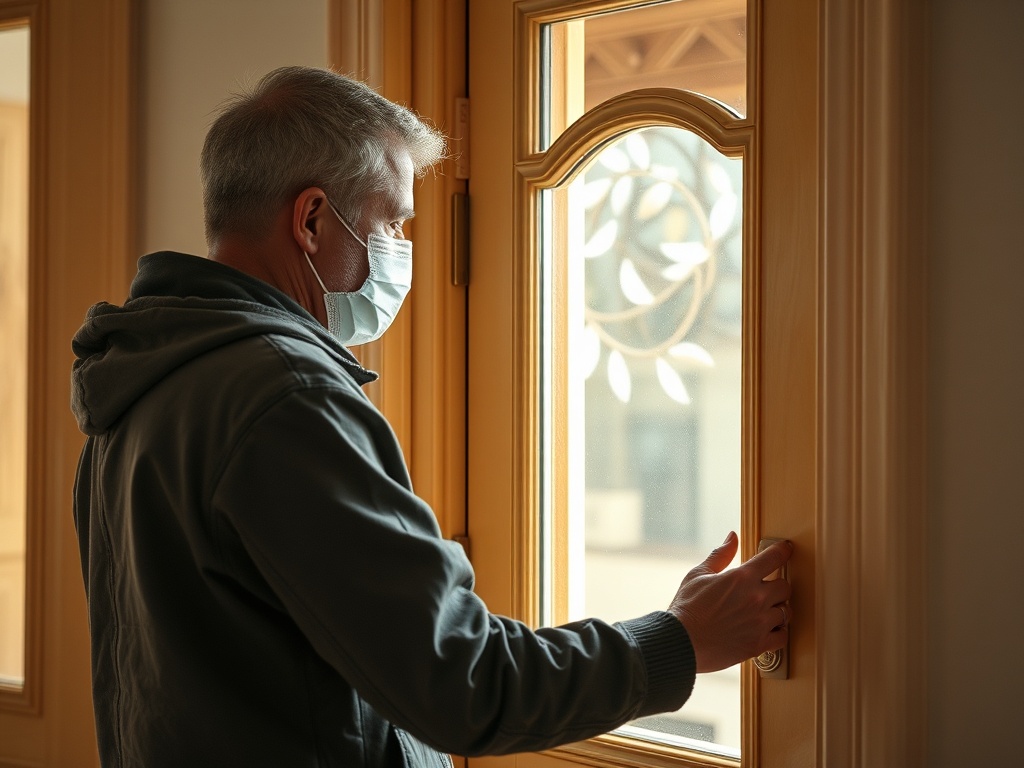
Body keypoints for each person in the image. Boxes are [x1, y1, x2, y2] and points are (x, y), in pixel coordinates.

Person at [71, 65, 792, 768]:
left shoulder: (142, 377)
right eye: (392, 223)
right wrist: (677, 641)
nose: (402, 252)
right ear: (312, 219)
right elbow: (462, 680)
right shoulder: (285, 399)